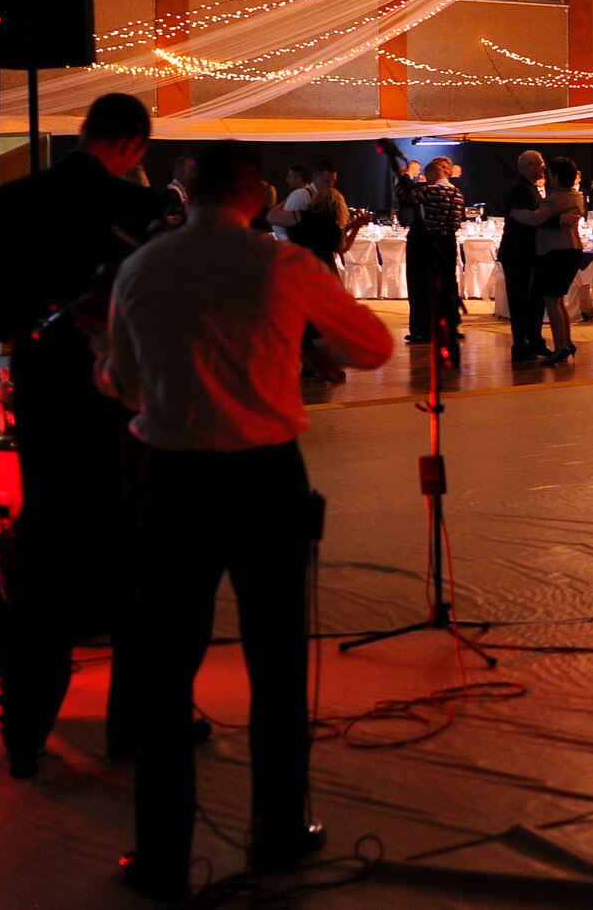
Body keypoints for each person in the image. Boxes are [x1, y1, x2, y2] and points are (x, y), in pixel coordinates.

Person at [99, 140, 393, 902]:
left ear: (187, 190)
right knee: (276, 661)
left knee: (164, 675)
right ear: (257, 196)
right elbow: (374, 344)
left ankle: (161, 853)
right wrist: (303, 344)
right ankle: (277, 831)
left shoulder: (140, 269)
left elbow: (124, 386)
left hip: (169, 478)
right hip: (264, 478)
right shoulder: (281, 264)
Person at [0, 93, 163, 778]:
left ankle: (24, 731)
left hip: (46, 406)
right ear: (133, 146)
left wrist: (44, 318)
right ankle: (131, 726)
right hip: (125, 411)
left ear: (85, 133)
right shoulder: (139, 211)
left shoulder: (9, 204)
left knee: (44, 560)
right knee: (137, 562)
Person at [515, 155, 585, 366]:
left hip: (557, 251)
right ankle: (567, 341)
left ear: (556, 176)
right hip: (572, 250)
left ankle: (560, 347)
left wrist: (519, 214)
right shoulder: (576, 196)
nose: (546, 175)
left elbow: (537, 218)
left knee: (552, 301)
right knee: (559, 299)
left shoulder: (556, 198)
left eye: (550, 172)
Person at [393, 157, 465, 346]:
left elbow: (402, 195)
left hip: (426, 242)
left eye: (427, 174)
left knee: (420, 285)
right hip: (448, 241)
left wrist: (403, 176)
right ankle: (450, 325)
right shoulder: (457, 193)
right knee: (448, 283)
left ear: (433, 174)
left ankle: (422, 328)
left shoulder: (428, 190)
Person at [500, 151, 550, 362]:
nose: (543, 168)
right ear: (529, 166)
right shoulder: (521, 189)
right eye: (540, 164)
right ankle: (520, 345)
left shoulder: (529, 187)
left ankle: (535, 340)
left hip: (528, 253)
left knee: (534, 301)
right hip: (519, 253)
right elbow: (532, 219)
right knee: (520, 301)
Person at [268, 164, 312, 242]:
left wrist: (286, 241)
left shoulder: (299, 195)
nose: (286, 180)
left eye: (289, 177)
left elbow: (277, 221)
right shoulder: (310, 193)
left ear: (299, 179)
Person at [162, 156, 196, 227]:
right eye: (191, 172)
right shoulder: (172, 192)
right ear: (180, 174)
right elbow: (177, 218)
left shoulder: (186, 191)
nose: (194, 175)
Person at [394, 159, 423, 228]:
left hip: (407, 213)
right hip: (408, 214)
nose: (419, 172)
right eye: (418, 169)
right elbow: (405, 197)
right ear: (413, 168)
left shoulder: (407, 180)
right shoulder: (405, 180)